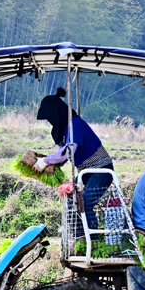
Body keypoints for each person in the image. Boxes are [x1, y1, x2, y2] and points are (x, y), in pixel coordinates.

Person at [36, 87, 113, 235]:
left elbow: (68, 152)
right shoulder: (65, 129)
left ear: (57, 114)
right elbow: (62, 153)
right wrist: (47, 164)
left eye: (50, 117)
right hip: (86, 171)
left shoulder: (75, 124)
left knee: (85, 202)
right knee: (71, 198)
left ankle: (94, 239)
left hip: (101, 170)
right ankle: (78, 235)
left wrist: (45, 160)